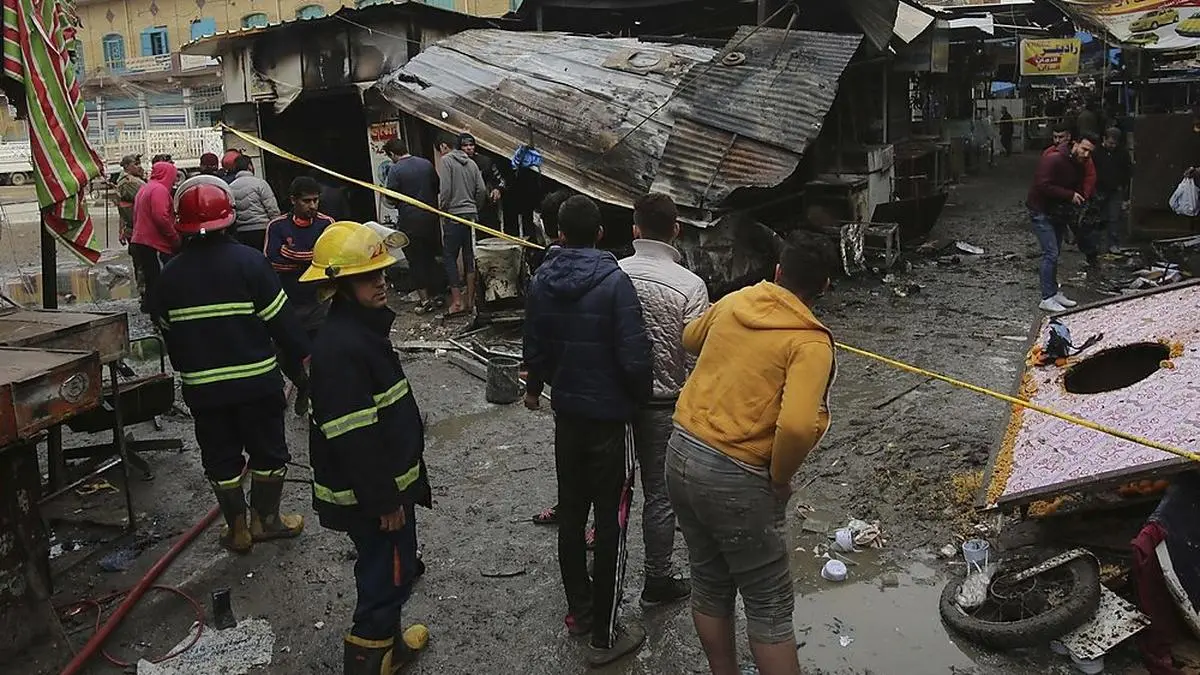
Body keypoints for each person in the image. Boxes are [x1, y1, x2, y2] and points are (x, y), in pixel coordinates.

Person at [668, 230, 838, 675]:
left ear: (778, 272)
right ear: (824, 287)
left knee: (709, 581)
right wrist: (780, 478)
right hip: (735, 475)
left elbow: (689, 338)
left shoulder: (738, 299)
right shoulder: (810, 342)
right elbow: (798, 425)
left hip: (682, 450)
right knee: (769, 603)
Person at [523, 195, 653, 667]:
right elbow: (635, 356)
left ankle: (579, 611)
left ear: (558, 233)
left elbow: (533, 344)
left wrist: (536, 387)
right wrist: (638, 404)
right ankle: (605, 634)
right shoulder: (615, 282)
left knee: (573, 516)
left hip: (569, 416)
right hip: (610, 420)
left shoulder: (541, 279)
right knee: (613, 521)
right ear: (600, 233)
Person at [149, 175, 309, 554]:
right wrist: (302, 364)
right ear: (230, 217)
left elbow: (168, 331)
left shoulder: (169, 275)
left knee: (220, 458)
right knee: (268, 452)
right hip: (256, 385)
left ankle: (237, 529)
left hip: (204, 390)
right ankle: (267, 520)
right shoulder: (250, 263)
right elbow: (284, 325)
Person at [299, 221, 431, 675]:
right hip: (372, 497)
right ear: (337, 283)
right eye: (367, 277)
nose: (381, 283)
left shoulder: (360, 330)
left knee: (394, 569)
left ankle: (391, 649)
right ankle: (368, 662)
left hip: (384, 489)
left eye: (382, 273)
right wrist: (384, 501)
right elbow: (354, 436)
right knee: (383, 578)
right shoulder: (342, 347)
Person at [614, 193, 708, 606]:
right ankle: (657, 577)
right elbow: (696, 357)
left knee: (609, 489)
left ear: (635, 229)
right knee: (659, 493)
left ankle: (604, 585)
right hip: (665, 405)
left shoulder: (614, 273)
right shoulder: (690, 285)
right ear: (676, 229)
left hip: (614, 402)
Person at [264, 176, 336, 415]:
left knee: (323, 352)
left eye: (316, 200)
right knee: (284, 354)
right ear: (293, 200)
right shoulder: (277, 226)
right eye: (306, 201)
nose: (312, 206)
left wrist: (293, 255)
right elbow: (273, 263)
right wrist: (311, 259)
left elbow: (331, 263)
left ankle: (325, 400)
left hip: (319, 299)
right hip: (287, 302)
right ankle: (304, 386)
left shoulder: (327, 225)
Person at [1029, 133, 1097, 313]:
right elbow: (1042, 184)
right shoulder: (1054, 159)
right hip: (1041, 211)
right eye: (1084, 149)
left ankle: (1052, 292)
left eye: (1090, 152)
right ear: (1074, 144)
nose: (1086, 155)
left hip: (1057, 213)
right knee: (1050, 252)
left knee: (1055, 252)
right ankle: (1047, 297)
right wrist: (1069, 195)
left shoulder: (1078, 163)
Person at [383, 138, 442, 313]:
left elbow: (391, 198)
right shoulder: (426, 164)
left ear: (393, 154)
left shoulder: (395, 170)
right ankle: (438, 295)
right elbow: (436, 187)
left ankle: (425, 300)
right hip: (431, 218)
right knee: (431, 257)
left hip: (410, 222)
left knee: (415, 260)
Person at [437, 132, 486, 315]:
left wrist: (443, 208)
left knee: (449, 256)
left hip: (455, 215)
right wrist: (475, 206)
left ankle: (457, 302)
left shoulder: (447, 161)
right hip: (471, 216)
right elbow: (481, 190)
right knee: (469, 257)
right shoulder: (472, 164)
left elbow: (446, 189)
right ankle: (471, 301)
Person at [131, 160, 180, 308]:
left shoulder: (146, 188)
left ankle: (152, 309)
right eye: (173, 175)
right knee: (158, 279)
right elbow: (161, 217)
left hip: (140, 241)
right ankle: (160, 312)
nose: (175, 179)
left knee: (150, 279)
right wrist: (174, 237)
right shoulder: (159, 190)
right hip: (153, 243)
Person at [1092, 127, 1132, 254]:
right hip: (1099, 189)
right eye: (1110, 143)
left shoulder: (1123, 154)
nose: (1112, 146)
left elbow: (1128, 171)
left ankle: (1113, 244)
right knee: (1097, 217)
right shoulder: (1096, 152)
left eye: (1115, 143)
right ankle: (1095, 244)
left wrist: (1124, 190)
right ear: (1104, 139)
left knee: (1114, 218)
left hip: (1116, 189)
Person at [114, 154, 147, 305]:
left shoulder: (134, 179)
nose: (139, 166)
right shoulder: (128, 183)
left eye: (139, 163)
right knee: (142, 263)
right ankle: (144, 292)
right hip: (136, 229)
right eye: (135, 163)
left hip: (137, 228)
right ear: (126, 166)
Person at [230, 154, 281, 251]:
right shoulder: (260, 184)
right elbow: (272, 209)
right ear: (249, 166)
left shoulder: (230, 187)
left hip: (241, 232)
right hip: (262, 230)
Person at [458, 133, 504, 235]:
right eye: (465, 146)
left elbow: (501, 181)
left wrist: (497, 189)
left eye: (471, 145)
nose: (469, 148)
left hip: (486, 207)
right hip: (464, 208)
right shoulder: (455, 164)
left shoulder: (485, 161)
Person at [1045, 121, 1096, 199]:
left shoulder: (1082, 155)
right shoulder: (1049, 153)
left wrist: (1084, 195)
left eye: (1061, 137)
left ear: (1069, 136)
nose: (1057, 140)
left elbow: (1090, 176)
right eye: (1055, 137)